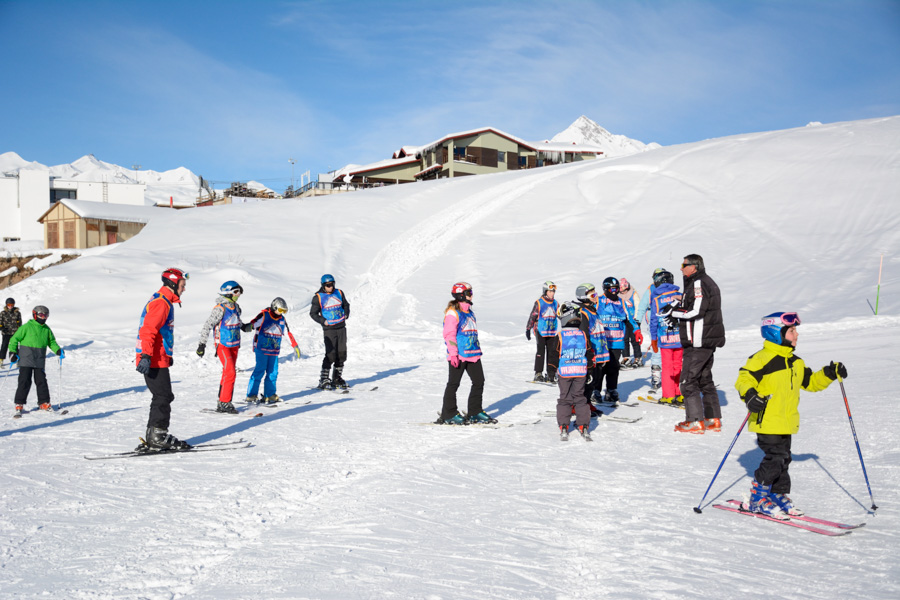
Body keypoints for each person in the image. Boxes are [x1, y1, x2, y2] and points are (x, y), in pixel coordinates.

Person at [735, 312, 846, 518]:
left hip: (787, 422)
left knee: (784, 459)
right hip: (766, 420)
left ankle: (776, 494)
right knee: (775, 458)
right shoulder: (761, 359)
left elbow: (810, 382)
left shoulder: (796, 362)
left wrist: (829, 373)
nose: (796, 335)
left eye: (796, 331)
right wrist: (750, 395)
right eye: (792, 331)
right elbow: (744, 379)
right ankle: (757, 499)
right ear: (776, 333)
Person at [660, 254, 725, 434]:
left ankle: (695, 421)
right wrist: (675, 307)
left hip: (698, 340)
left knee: (688, 381)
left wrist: (674, 313)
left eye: (684, 265)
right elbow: (690, 305)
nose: (681, 268)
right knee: (704, 379)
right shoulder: (701, 281)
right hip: (705, 338)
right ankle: (713, 418)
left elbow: (696, 311)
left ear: (694, 267)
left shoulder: (699, 283)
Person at [135, 268, 190, 451]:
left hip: (157, 357)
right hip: (151, 359)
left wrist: (166, 356)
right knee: (163, 395)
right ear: (172, 284)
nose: (184, 289)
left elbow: (161, 334)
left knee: (162, 395)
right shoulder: (162, 303)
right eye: (182, 285)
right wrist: (146, 356)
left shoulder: (164, 301)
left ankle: (155, 435)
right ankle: (158, 436)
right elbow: (148, 331)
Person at [437, 282, 495, 425]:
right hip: (459, 354)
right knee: (453, 384)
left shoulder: (469, 312)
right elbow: (449, 335)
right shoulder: (453, 313)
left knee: (479, 381)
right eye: (469, 293)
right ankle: (448, 413)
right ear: (461, 295)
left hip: (473, 354)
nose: (471, 295)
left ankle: (475, 411)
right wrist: (453, 354)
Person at [197, 281, 251, 414]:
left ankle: (222, 401)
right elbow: (207, 325)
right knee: (231, 372)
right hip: (223, 345)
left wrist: (244, 327)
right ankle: (225, 402)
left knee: (228, 373)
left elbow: (236, 320)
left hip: (234, 344)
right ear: (229, 293)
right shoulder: (220, 308)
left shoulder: (236, 307)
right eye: (237, 292)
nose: (239, 295)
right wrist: (202, 344)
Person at [8, 305, 63, 414]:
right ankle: (19, 403)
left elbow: (51, 342)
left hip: (39, 359)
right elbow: (14, 339)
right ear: (35, 315)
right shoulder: (26, 327)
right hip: (26, 358)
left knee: (41, 381)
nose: (43, 317)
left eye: (46, 315)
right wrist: (12, 352)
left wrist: (57, 350)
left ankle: (44, 402)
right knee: (25, 380)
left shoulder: (46, 329)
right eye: (41, 315)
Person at [554, 301, 595, 441]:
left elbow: (554, 355)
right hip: (580, 372)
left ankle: (564, 425)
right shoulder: (583, 335)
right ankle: (583, 424)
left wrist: (552, 371)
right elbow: (589, 353)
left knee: (565, 398)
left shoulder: (560, 336)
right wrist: (589, 371)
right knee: (580, 398)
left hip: (565, 373)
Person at [596, 277, 639, 404]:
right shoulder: (598, 301)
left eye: (617, 289)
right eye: (613, 289)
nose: (615, 292)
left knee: (613, 367)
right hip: (601, 342)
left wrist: (636, 330)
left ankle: (611, 390)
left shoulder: (621, 302)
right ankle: (595, 391)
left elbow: (629, 319)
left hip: (617, 340)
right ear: (606, 289)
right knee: (600, 368)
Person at [245, 297, 297, 404]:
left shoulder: (282, 319)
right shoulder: (264, 315)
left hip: (274, 350)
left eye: (284, 311)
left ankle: (270, 394)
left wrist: (295, 345)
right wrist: (247, 326)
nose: (282, 313)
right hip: (262, 348)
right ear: (274, 307)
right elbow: (253, 324)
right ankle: (251, 395)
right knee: (260, 370)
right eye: (281, 310)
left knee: (273, 372)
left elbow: (287, 333)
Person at [573, 283, 609, 416]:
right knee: (587, 380)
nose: (596, 297)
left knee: (595, 380)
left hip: (599, 351)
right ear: (584, 297)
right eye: (592, 295)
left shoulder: (594, 310)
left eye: (596, 294)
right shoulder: (583, 313)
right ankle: (579, 406)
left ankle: (587, 403)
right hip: (590, 353)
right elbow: (584, 335)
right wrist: (589, 353)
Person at [310, 274, 350, 390]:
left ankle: (337, 378)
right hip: (329, 329)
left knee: (342, 353)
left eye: (332, 284)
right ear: (323, 285)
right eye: (328, 285)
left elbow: (346, 305)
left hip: (341, 327)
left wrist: (346, 313)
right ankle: (324, 379)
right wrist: (323, 321)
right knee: (331, 354)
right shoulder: (318, 297)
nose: (330, 287)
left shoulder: (339, 293)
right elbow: (313, 314)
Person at [649, 271, 683, 405]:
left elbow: (653, 321)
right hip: (680, 337)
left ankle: (668, 395)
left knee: (668, 367)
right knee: (679, 366)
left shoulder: (656, 299)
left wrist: (653, 339)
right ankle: (679, 393)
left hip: (665, 338)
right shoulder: (680, 296)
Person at [635, 269, 667, 392]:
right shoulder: (651, 289)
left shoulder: (670, 289)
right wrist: (637, 322)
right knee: (657, 350)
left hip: (668, 325)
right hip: (655, 325)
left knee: (671, 351)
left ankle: (672, 377)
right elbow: (642, 306)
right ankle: (656, 377)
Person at [525, 281, 559, 383]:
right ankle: (538, 373)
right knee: (541, 351)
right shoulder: (539, 302)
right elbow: (533, 316)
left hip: (552, 331)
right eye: (550, 291)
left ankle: (551, 373)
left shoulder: (555, 303)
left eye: (553, 291)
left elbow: (560, 314)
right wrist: (528, 328)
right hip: (540, 330)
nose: (552, 293)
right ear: (545, 292)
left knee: (552, 352)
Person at [618, 278, 643, 368]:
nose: (623, 293)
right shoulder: (618, 296)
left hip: (633, 320)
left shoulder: (633, 294)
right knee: (624, 339)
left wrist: (637, 319)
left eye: (624, 290)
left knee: (634, 339)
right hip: (623, 320)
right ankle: (626, 357)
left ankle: (638, 357)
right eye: (621, 291)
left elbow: (638, 305)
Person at [1, 297, 23, 368]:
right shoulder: (3, 313)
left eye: (12, 304)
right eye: (9, 304)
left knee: (15, 347)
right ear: (6, 304)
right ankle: (1, 360)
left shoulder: (17, 313)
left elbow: (19, 323)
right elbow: (0, 322)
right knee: (4, 346)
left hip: (15, 333)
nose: (10, 306)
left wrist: (19, 330)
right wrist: (2, 328)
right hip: (6, 332)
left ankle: (16, 360)